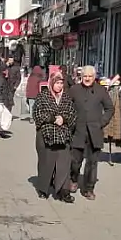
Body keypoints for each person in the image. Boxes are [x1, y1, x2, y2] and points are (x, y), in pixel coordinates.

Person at [68, 66, 114, 201]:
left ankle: (89, 188)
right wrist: (71, 121)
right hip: (78, 131)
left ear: (94, 77)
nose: (87, 78)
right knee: (75, 161)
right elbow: (66, 106)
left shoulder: (101, 91)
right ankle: (73, 178)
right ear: (81, 77)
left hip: (95, 132)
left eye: (90, 76)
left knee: (92, 163)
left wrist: (102, 122)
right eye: (85, 76)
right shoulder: (74, 90)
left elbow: (109, 108)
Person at [33, 72, 77, 202]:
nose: (59, 85)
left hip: (63, 135)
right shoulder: (43, 96)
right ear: (51, 83)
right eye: (57, 83)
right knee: (46, 163)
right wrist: (53, 119)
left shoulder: (67, 98)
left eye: (61, 83)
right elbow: (37, 114)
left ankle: (64, 191)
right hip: (46, 135)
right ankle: (43, 189)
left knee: (64, 164)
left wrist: (63, 119)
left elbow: (73, 115)